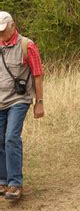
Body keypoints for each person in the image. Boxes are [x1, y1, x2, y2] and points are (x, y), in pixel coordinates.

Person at [0, 11, 44, 201]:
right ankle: (3, 180)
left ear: (12, 26)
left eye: (3, 30)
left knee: (11, 137)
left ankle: (15, 184)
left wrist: (39, 102)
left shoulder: (27, 45)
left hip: (19, 100)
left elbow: (38, 75)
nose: (1, 34)